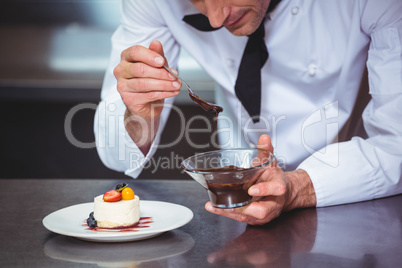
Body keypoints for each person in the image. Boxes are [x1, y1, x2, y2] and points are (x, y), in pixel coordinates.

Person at [94, 0, 402, 225]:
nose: (216, 19)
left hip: (349, 196)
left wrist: (296, 187)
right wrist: (139, 115)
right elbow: (116, 156)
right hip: (238, 211)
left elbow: (396, 145)